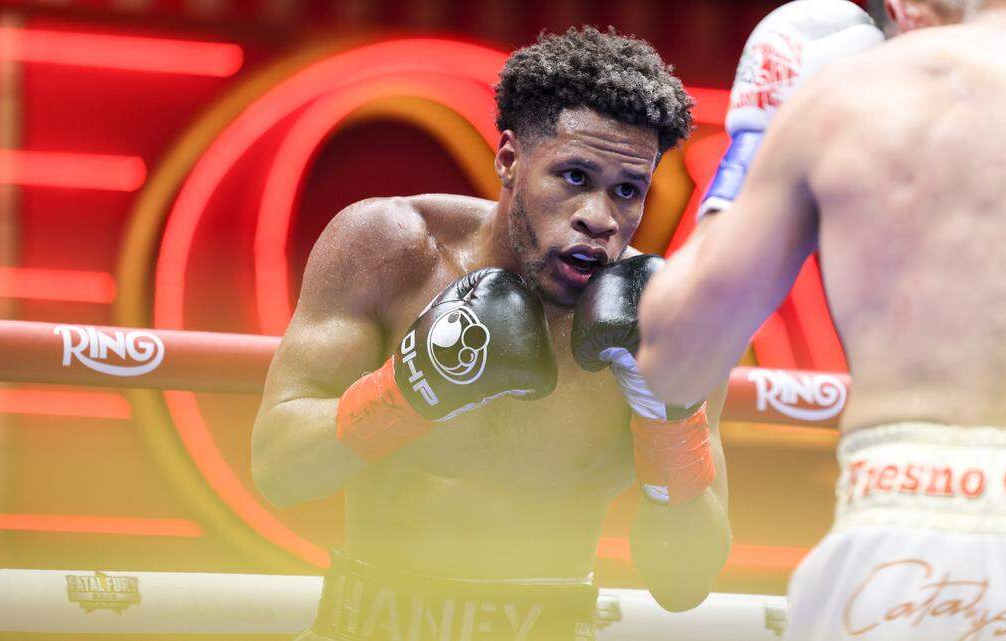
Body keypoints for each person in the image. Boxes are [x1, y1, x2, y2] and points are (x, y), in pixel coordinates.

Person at [637, 0, 1006, 639]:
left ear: (904, 9)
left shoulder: (849, 99)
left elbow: (675, 359)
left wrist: (756, 140)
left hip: (897, 553)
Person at [251, 27, 731, 641]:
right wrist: (411, 388)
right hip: (370, 626)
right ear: (509, 159)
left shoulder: (667, 321)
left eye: (627, 191)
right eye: (575, 176)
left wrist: (670, 423)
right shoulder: (395, 249)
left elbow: (685, 582)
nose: (600, 217)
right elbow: (278, 471)